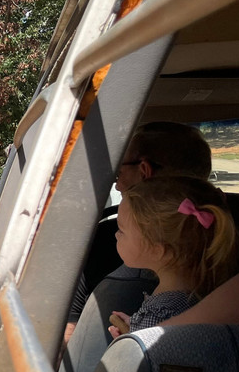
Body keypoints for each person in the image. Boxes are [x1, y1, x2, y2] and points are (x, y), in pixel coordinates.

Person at [66, 122, 214, 340]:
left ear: (145, 170)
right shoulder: (224, 231)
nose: (116, 185)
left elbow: (68, 332)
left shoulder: (106, 240)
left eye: (119, 172)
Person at [107, 176, 238, 338]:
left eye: (121, 230)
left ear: (157, 250)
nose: (116, 235)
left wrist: (126, 344)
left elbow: (145, 362)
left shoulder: (159, 315)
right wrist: (135, 325)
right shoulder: (201, 295)